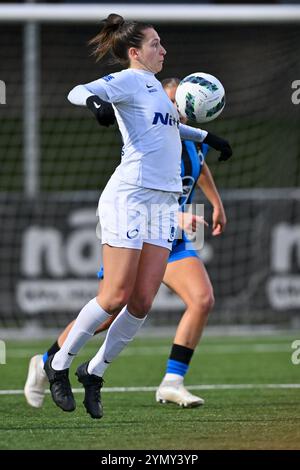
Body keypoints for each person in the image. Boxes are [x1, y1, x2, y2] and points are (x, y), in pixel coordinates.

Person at [24, 14, 232, 419]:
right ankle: (57, 364)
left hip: (164, 202)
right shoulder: (133, 80)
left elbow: (171, 127)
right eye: (156, 44)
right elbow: (77, 91)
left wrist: (209, 138)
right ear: (135, 53)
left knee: (140, 303)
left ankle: (95, 372)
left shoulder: (155, 89)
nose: (164, 50)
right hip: (131, 197)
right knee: (115, 296)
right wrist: (96, 103)